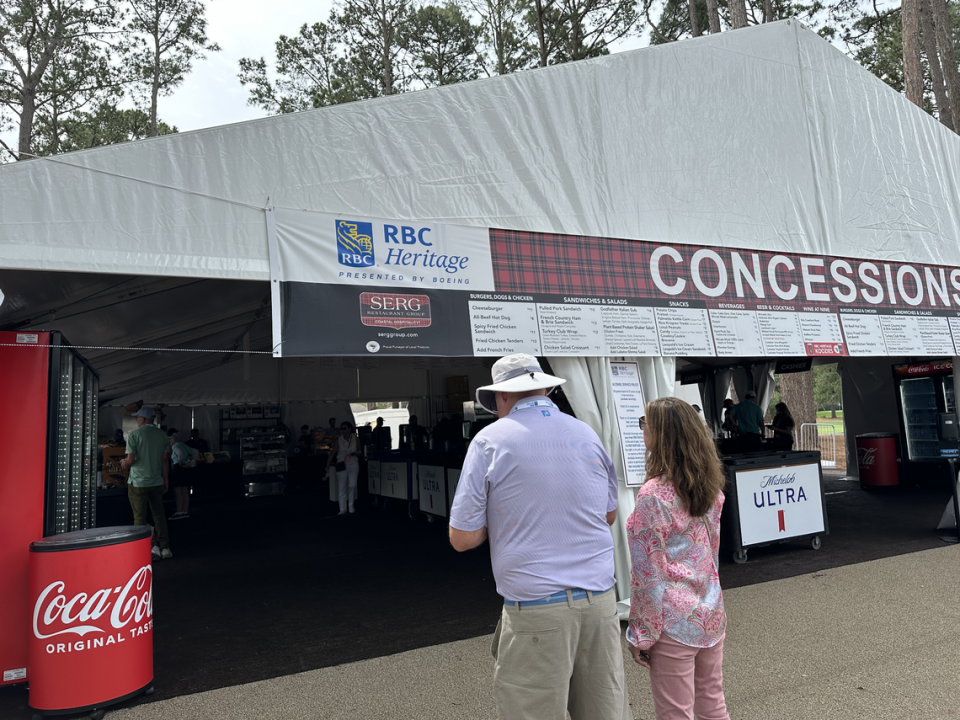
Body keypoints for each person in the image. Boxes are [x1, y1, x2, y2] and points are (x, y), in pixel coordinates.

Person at [449, 353, 632, 720]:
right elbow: (609, 513)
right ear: (546, 388)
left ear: (502, 396)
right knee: (605, 711)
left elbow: (462, 538)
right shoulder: (585, 433)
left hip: (536, 608)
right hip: (600, 601)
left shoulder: (490, 441)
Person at [626, 397, 730, 720]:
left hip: (672, 620)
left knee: (676, 713)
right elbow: (711, 553)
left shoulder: (653, 496)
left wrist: (641, 633)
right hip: (710, 610)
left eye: (646, 424)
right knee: (712, 703)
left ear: (661, 435)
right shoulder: (711, 487)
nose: (643, 429)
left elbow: (649, 575)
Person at [121, 407, 173, 559]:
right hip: (156, 481)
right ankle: (165, 547)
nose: (136, 420)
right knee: (159, 515)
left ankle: (142, 549)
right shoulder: (163, 435)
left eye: (137, 418)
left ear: (143, 419)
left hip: (138, 483)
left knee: (140, 517)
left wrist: (123, 463)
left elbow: (130, 460)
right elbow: (165, 460)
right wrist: (165, 479)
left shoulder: (134, 435)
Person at [326, 420, 359, 515]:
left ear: (349, 429)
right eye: (341, 429)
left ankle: (351, 505)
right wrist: (328, 464)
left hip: (353, 462)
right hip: (341, 463)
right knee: (342, 486)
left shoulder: (355, 439)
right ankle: (343, 508)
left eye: (344, 428)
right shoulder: (339, 440)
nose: (343, 430)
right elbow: (332, 452)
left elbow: (360, 451)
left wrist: (352, 454)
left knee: (352, 485)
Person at [168, 429, 199, 520]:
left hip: (178, 469)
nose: (170, 441)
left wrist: (180, 461)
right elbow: (196, 451)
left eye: (171, 439)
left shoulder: (175, 446)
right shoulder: (184, 445)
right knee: (185, 491)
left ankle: (179, 511)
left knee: (178, 491)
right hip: (187, 469)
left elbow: (179, 453)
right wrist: (192, 461)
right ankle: (185, 510)